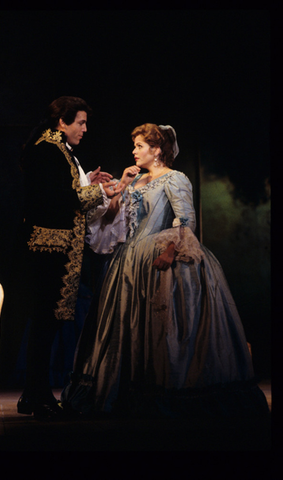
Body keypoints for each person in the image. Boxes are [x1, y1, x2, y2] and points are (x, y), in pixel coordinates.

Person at [62, 123, 269, 418]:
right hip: (128, 261)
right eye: (134, 146)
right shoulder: (134, 180)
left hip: (160, 256)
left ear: (157, 150)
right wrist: (120, 185)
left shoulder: (175, 178)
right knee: (126, 328)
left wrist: (171, 251)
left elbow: (186, 220)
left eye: (139, 146)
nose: (133, 151)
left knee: (166, 331)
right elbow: (111, 219)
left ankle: (167, 393)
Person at [16, 96, 122, 419]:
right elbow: (56, 198)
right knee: (45, 322)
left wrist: (88, 181)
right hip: (49, 248)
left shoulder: (56, 148)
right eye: (80, 122)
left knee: (46, 323)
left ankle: (33, 395)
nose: (85, 129)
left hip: (58, 247)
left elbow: (63, 189)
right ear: (62, 122)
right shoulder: (46, 149)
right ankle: (38, 395)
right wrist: (98, 192)